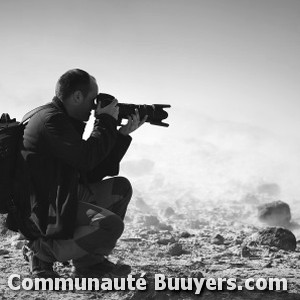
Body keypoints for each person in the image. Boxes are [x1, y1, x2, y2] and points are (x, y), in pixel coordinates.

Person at [7, 69, 147, 278]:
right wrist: (105, 121)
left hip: (59, 198)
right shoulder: (51, 121)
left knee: (120, 189)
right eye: (92, 101)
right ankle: (40, 252)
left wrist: (120, 136)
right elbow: (86, 158)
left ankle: (88, 262)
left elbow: (89, 171)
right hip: (40, 212)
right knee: (110, 226)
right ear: (77, 96)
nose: (94, 109)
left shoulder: (62, 119)